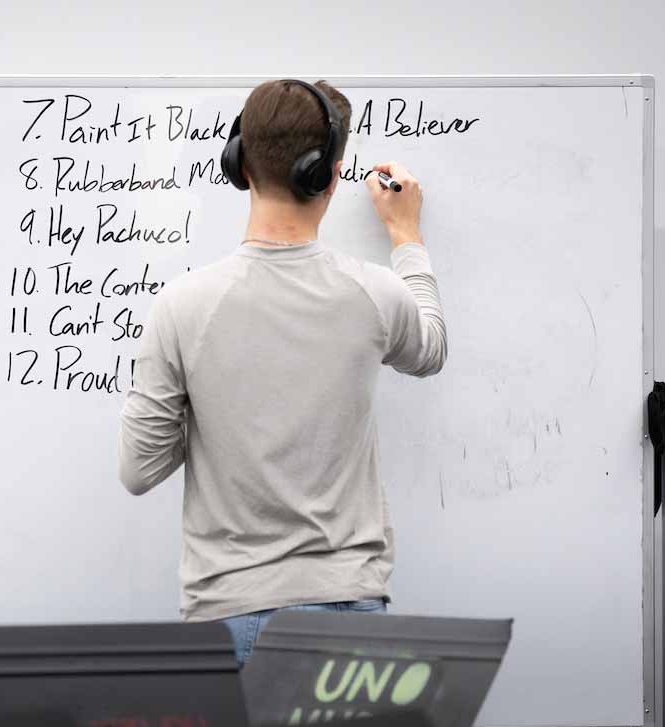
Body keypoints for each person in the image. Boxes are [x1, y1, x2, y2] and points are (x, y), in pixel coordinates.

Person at [117, 79, 447, 668]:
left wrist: (216, 408)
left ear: (239, 163)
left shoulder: (181, 305)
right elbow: (430, 349)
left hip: (225, 613)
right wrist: (405, 234)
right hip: (348, 609)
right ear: (329, 176)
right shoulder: (374, 293)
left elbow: (139, 470)